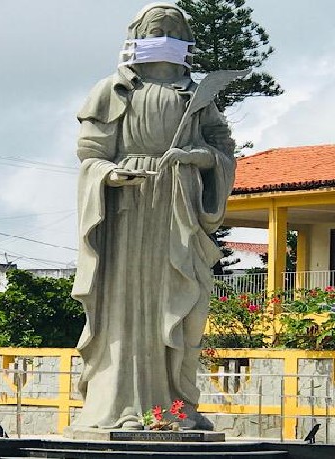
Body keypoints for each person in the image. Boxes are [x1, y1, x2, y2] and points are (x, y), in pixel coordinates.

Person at [71, 2, 236, 430]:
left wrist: (196, 157)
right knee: (126, 305)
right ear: (136, 38)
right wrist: (109, 174)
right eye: (156, 31)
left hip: (177, 206)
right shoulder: (112, 90)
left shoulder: (196, 97)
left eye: (174, 32)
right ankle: (120, 405)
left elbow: (222, 151)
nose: (165, 38)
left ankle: (174, 407)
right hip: (126, 210)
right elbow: (90, 155)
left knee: (178, 301)